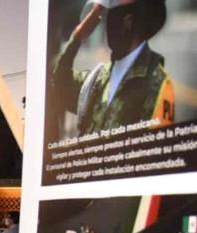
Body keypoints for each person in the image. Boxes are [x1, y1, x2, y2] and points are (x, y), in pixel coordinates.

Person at [51, 0, 173, 136]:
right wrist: (78, 36)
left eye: (110, 14)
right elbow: (57, 83)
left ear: (128, 21)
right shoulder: (98, 77)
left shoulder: (157, 84)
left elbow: (153, 147)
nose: (105, 23)